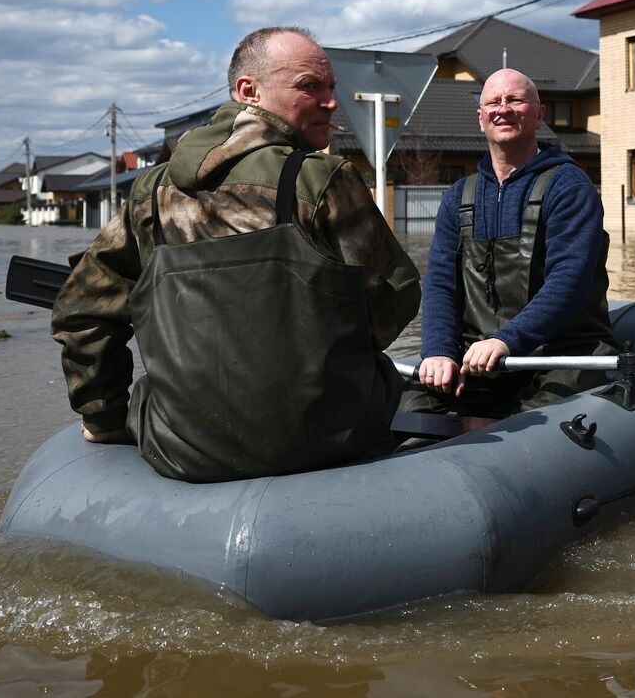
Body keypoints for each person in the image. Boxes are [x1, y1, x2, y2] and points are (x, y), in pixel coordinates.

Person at [52, 26, 420, 483]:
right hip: (328, 440)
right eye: (310, 86)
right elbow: (396, 299)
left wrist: (103, 417)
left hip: (180, 451)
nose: (330, 102)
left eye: (331, 89)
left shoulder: (151, 192)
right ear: (250, 90)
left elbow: (80, 310)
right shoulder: (323, 179)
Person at [407, 68, 613, 429]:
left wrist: (507, 340)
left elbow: (569, 281)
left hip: (560, 353)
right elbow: (441, 283)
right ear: (481, 118)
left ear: (538, 114)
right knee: (406, 404)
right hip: (480, 357)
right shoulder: (458, 197)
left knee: (534, 425)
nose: (504, 109)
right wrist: (438, 350)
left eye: (515, 100)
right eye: (494, 102)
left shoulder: (569, 187)